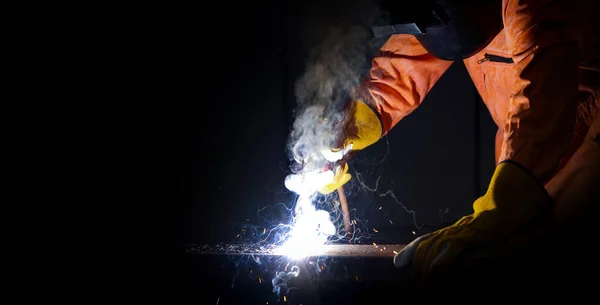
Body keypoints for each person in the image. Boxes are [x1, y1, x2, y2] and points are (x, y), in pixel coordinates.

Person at [313, 0, 599, 282]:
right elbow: (417, 51)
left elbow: (545, 94)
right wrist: (351, 126)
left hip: (585, 145)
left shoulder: (529, 5)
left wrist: (505, 202)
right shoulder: (449, 10)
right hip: (524, 152)